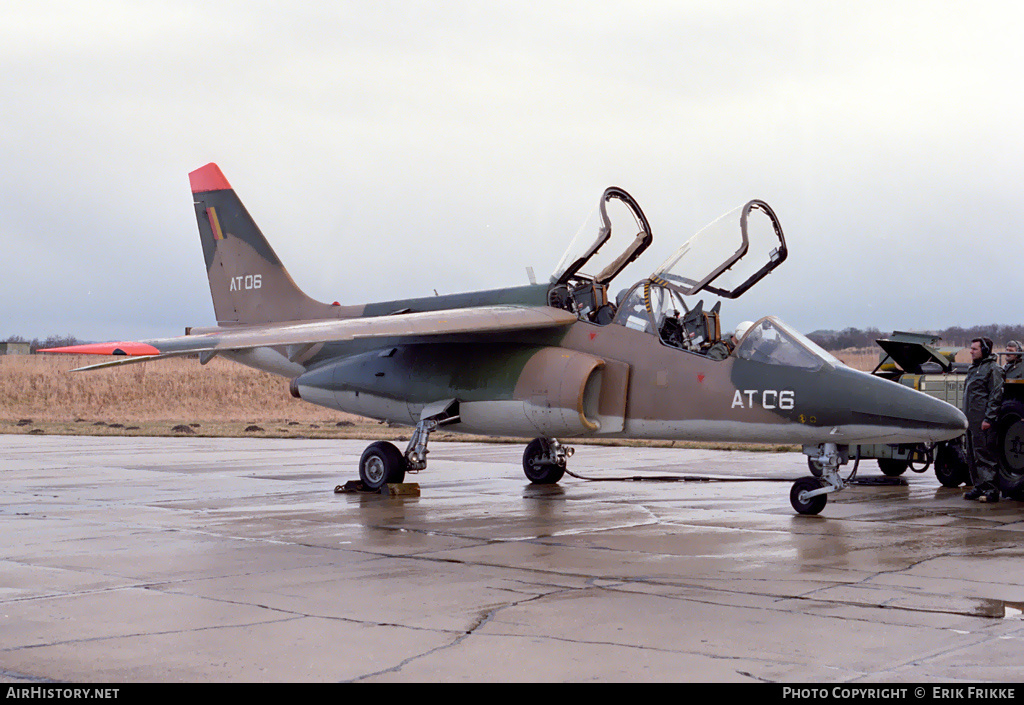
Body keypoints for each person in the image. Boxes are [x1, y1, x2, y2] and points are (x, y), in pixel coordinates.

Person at [963, 337, 1004, 503]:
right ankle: (978, 486)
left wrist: (989, 418)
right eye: (971, 348)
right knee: (972, 455)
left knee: (985, 455)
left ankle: (991, 490)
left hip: (983, 420)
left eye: (975, 349)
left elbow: (996, 395)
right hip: (970, 420)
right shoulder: (973, 369)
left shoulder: (993, 369)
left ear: (985, 350)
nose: (971, 351)